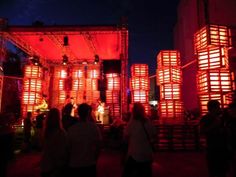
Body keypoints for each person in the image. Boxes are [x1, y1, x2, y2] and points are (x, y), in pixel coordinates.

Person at [67, 103, 102, 177]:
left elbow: (67, 148)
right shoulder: (93, 128)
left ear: (78, 113)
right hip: (89, 163)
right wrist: (95, 158)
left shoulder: (71, 129)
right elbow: (99, 145)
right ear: (89, 113)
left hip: (75, 164)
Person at [122, 102, 157, 177]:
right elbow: (154, 133)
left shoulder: (132, 123)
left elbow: (125, 136)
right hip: (147, 154)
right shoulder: (147, 122)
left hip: (134, 154)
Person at [200, 100, 230, 177]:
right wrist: (215, 125)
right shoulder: (206, 118)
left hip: (222, 147)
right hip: (213, 147)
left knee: (222, 170)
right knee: (214, 170)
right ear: (213, 108)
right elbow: (202, 131)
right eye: (218, 107)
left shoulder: (221, 117)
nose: (220, 108)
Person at [40, 108, 67, 177]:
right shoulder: (61, 133)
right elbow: (63, 150)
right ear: (59, 118)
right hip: (56, 164)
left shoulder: (45, 132)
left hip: (46, 163)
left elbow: (42, 145)